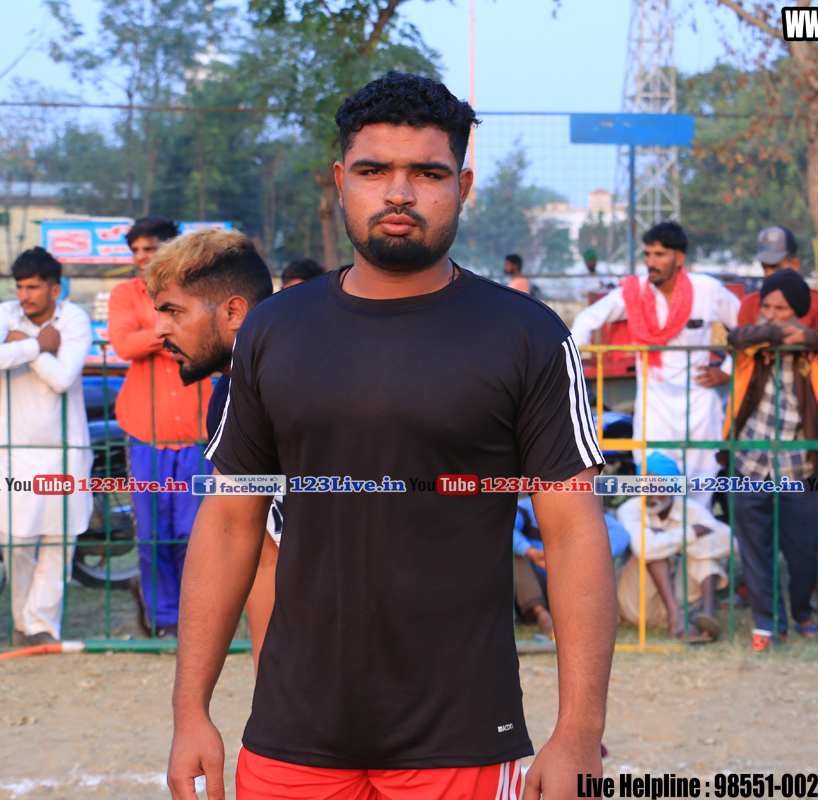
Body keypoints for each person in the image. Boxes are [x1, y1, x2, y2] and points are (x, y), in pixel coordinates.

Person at [166, 71, 615, 800]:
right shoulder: (274, 330)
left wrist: (579, 730)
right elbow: (229, 525)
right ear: (342, 179)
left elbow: (572, 534)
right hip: (292, 731)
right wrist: (191, 710)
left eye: (428, 173)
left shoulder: (527, 335)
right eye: (374, 170)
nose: (399, 193)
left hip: (464, 733)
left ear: (462, 186)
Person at [145, 228, 275, 666]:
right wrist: (268, 684)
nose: (159, 330)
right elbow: (266, 555)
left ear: (234, 311)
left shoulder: (286, 385)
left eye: (173, 311)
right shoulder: (231, 391)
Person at [723, 269, 818, 651]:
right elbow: (737, 337)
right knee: (755, 549)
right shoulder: (754, 346)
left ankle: (802, 613)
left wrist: (806, 337)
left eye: (780, 309)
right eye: (765, 306)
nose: (770, 314)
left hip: (800, 467)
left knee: (803, 552)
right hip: (750, 463)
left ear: (797, 311)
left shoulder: (814, 352)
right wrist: (777, 333)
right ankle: (768, 625)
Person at [0, 247, 93, 646]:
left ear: (55, 289)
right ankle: (24, 623)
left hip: (67, 449)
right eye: (20, 287)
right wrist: (37, 345)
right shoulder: (4, 314)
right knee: (15, 539)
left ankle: (42, 626)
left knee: (60, 540)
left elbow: (63, 378)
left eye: (33, 287)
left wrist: (25, 347)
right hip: (14, 451)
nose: (24, 295)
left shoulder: (73, 317)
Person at [570, 221, 740, 504]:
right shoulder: (635, 292)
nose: (651, 262)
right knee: (654, 486)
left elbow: (746, 328)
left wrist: (725, 371)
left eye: (660, 254)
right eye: (648, 254)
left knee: (699, 485)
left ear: (679, 258)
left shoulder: (707, 289)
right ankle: (658, 533)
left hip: (699, 404)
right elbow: (587, 320)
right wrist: (572, 367)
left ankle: (696, 530)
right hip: (654, 404)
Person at [110, 216, 213, 639]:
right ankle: (165, 620)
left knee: (194, 534)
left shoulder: (201, 290)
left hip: (197, 430)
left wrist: (151, 333)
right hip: (145, 432)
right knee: (153, 536)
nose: (140, 257)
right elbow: (123, 344)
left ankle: (197, 618)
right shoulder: (124, 294)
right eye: (135, 250)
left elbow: (207, 339)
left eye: (149, 248)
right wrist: (172, 327)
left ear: (171, 250)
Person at [614, 453, 732, 643]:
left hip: (683, 601)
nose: (649, 494)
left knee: (704, 555)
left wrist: (670, 540)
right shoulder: (629, 509)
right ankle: (674, 618)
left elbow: (729, 541)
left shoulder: (691, 509)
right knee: (653, 552)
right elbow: (646, 550)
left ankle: (708, 617)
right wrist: (690, 534)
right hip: (639, 606)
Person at [514, 493, 630, 640]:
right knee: (517, 556)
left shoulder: (588, 506)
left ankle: (579, 617)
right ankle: (541, 614)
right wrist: (531, 552)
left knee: (595, 561)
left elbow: (620, 534)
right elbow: (504, 529)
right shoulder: (526, 507)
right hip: (538, 582)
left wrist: (586, 555)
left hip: (574, 581)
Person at [736, 226, 818, 328]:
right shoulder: (750, 303)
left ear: (794, 264)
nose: (769, 274)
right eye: (765, 268)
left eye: (776, 267)